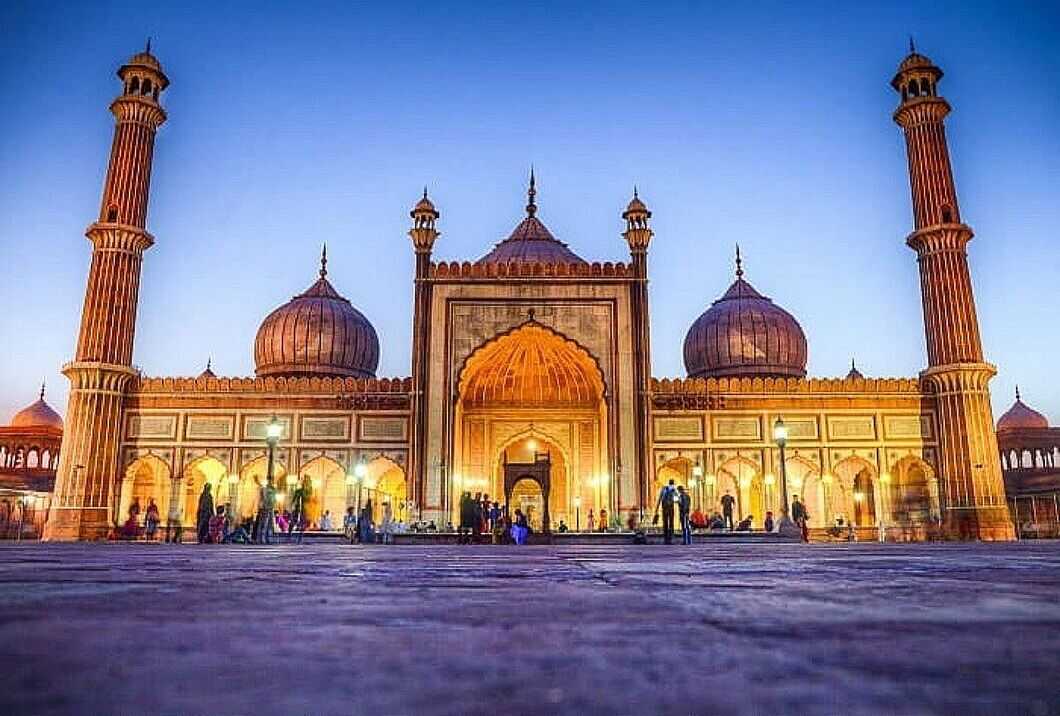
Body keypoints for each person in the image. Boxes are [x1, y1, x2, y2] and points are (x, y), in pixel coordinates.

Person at [654, 479, 678, 544]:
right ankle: (671, 537)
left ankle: (666, 538)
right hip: (670, 508)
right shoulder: (674, 490)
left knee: (665, 522)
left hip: (664, 507)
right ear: (673, 484)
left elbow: (660, 498)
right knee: (671, 522)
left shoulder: (664, 489)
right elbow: (676, 500)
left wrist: (656, 508)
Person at [256, 478, 276, 544]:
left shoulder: (272, 490)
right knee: (264, 524)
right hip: (265, 508)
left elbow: (273, 500)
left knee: (269, 524)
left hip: (270, 508)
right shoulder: (265, 489)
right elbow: (264, 498)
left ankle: (266, 538)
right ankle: (261, 539)